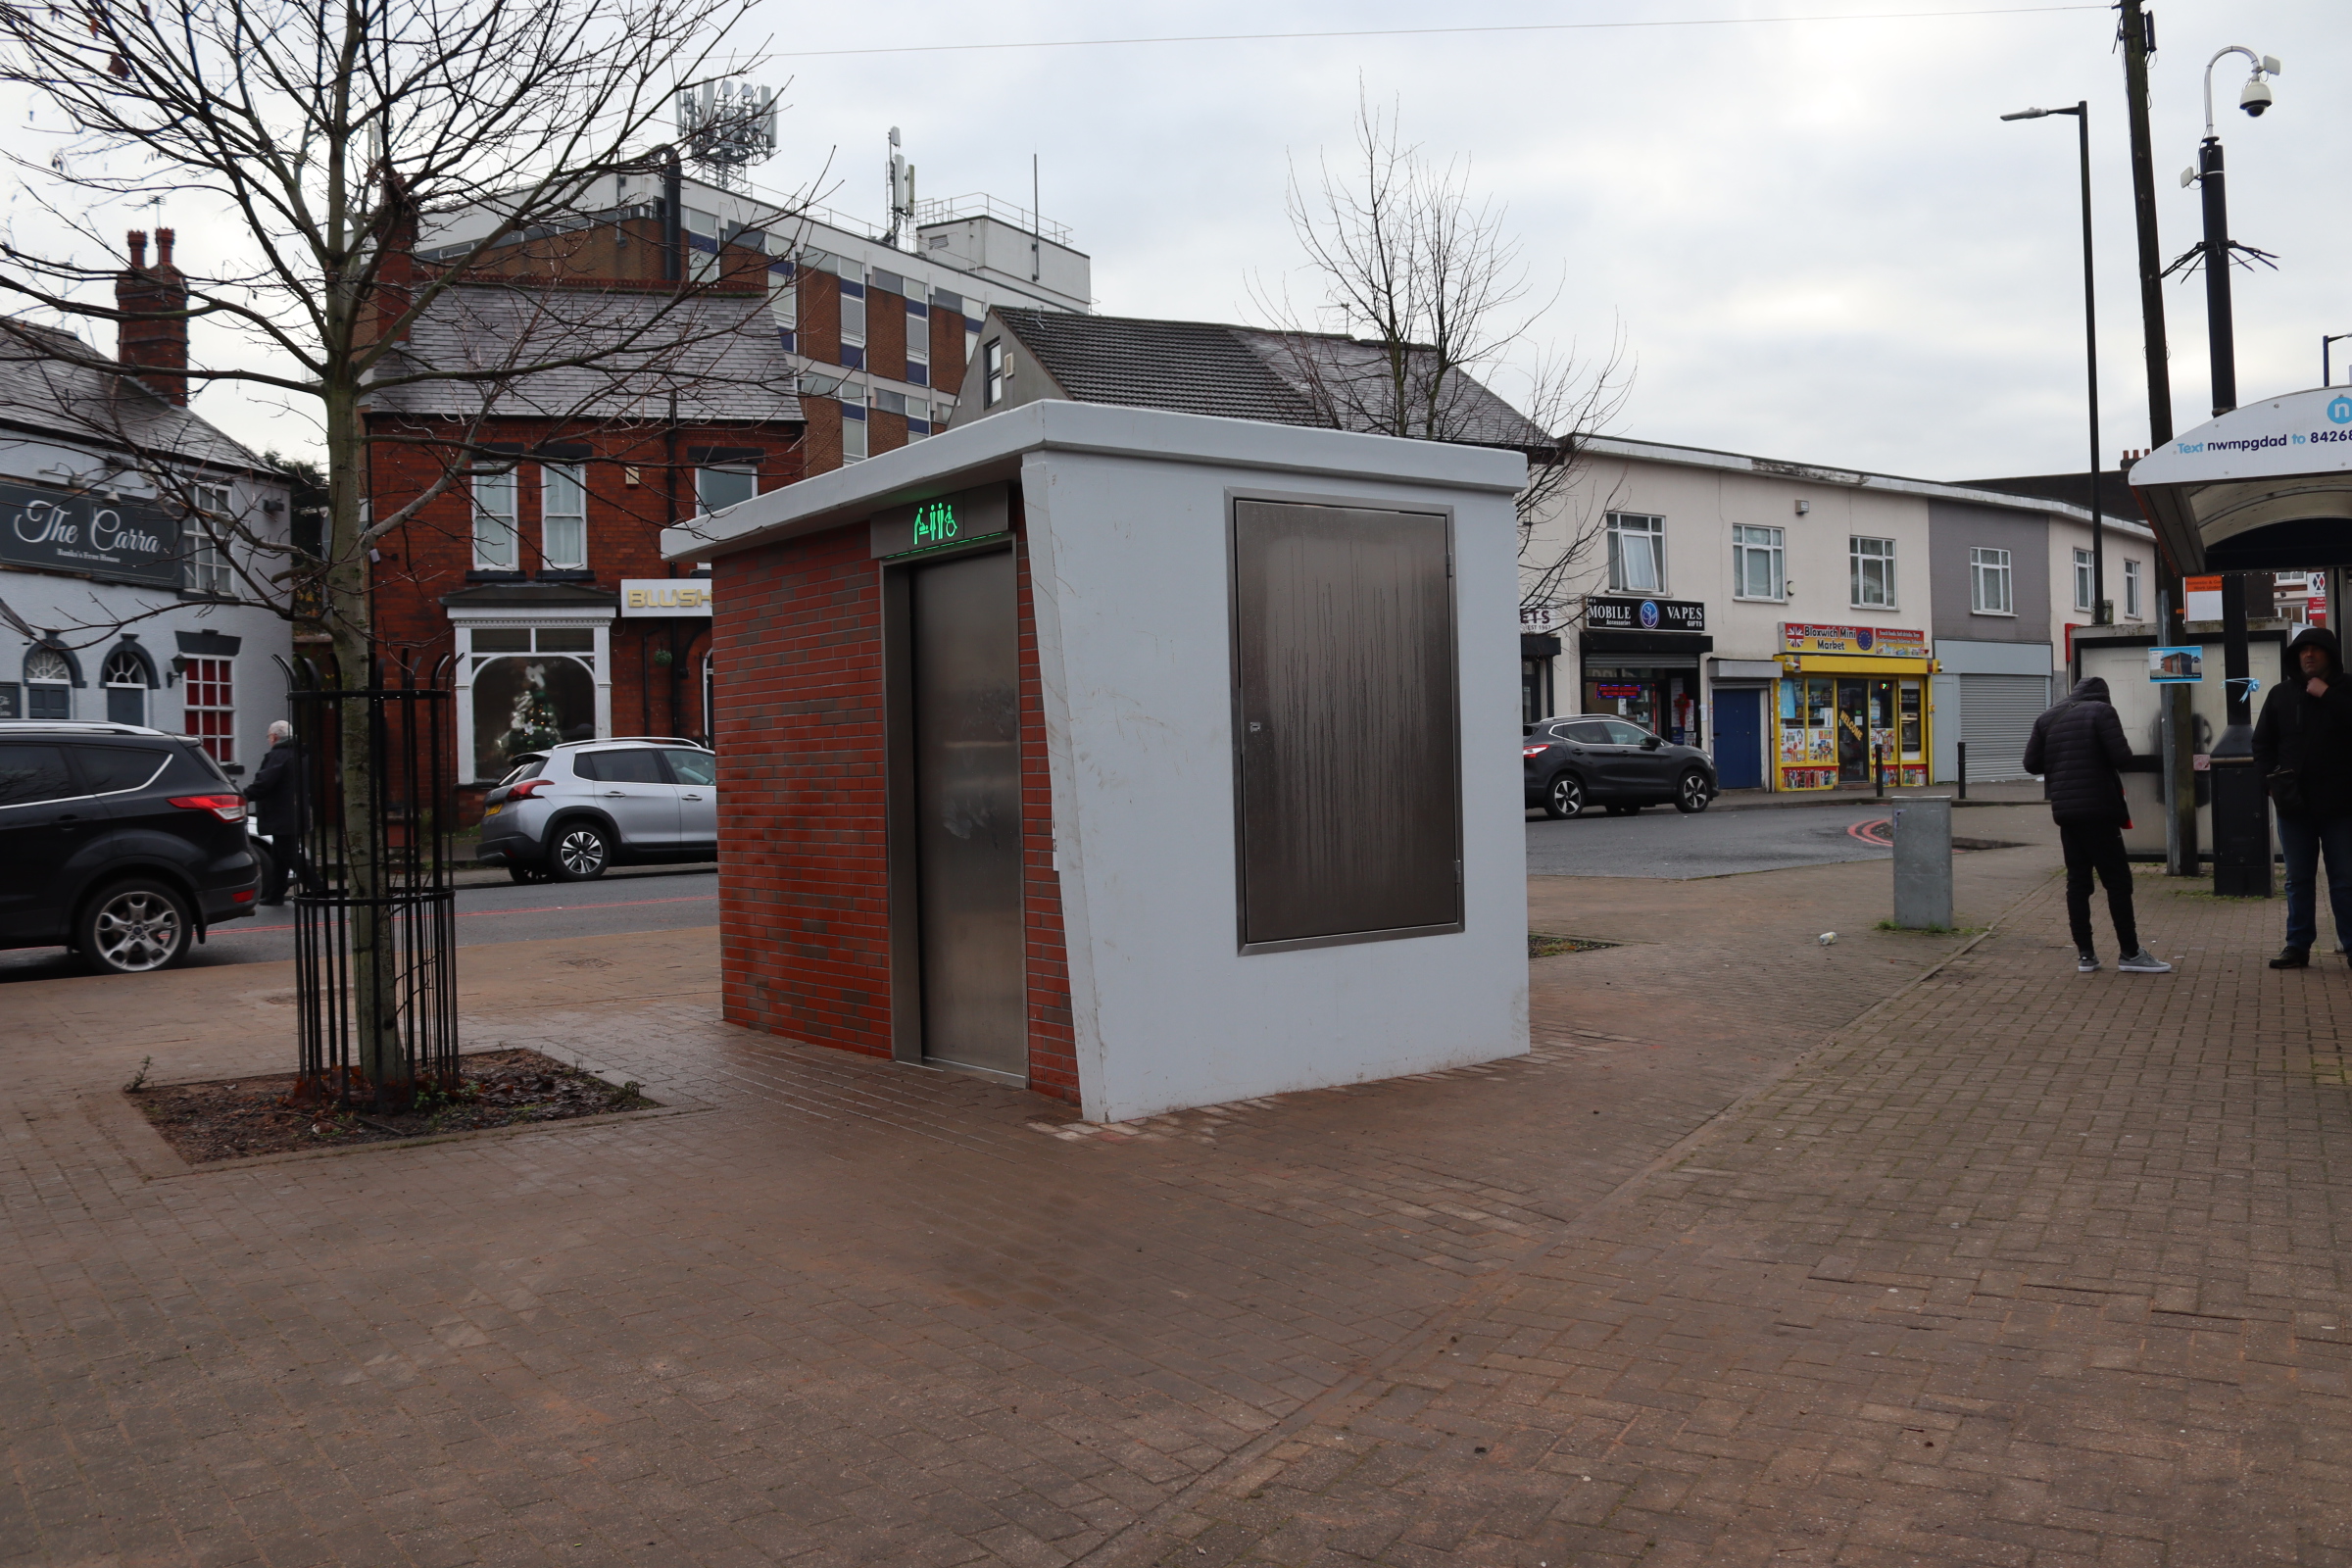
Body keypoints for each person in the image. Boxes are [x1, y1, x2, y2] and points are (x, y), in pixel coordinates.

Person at [2023, 675, 2173, 974]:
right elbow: (2122, 757)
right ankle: (2130, 954)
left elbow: (2031, 764)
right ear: (2103, 696)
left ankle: (2086, 956)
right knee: (2118, 882)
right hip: (2099, 811)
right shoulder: (2101, 711)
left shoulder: (2047, 717)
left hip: (2067, 814)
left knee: (2078, 883)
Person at [2251, 625, 2352, 968]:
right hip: (2294, 806)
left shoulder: (2346, 688)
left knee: (2345, 878)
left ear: (2330, 655)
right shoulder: (2281, 694)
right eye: (2302, 650)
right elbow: (2262, 742)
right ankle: (2297, 946)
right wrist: (2269, 782)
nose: (2308, 655)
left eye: (2316, 649)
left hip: (2342, 805)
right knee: (2297, 879)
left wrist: (2328, 694)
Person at [245, 718, 317, 906]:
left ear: (275, 736)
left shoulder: (279, 755)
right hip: (295, 809)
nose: (269, 740)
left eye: (269, 737)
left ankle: (318, 888)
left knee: (289, 854)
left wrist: (245, 795)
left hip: (281, 811)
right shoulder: (300, 754)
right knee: (280, 855)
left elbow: (265, 782)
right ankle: (277, 893)